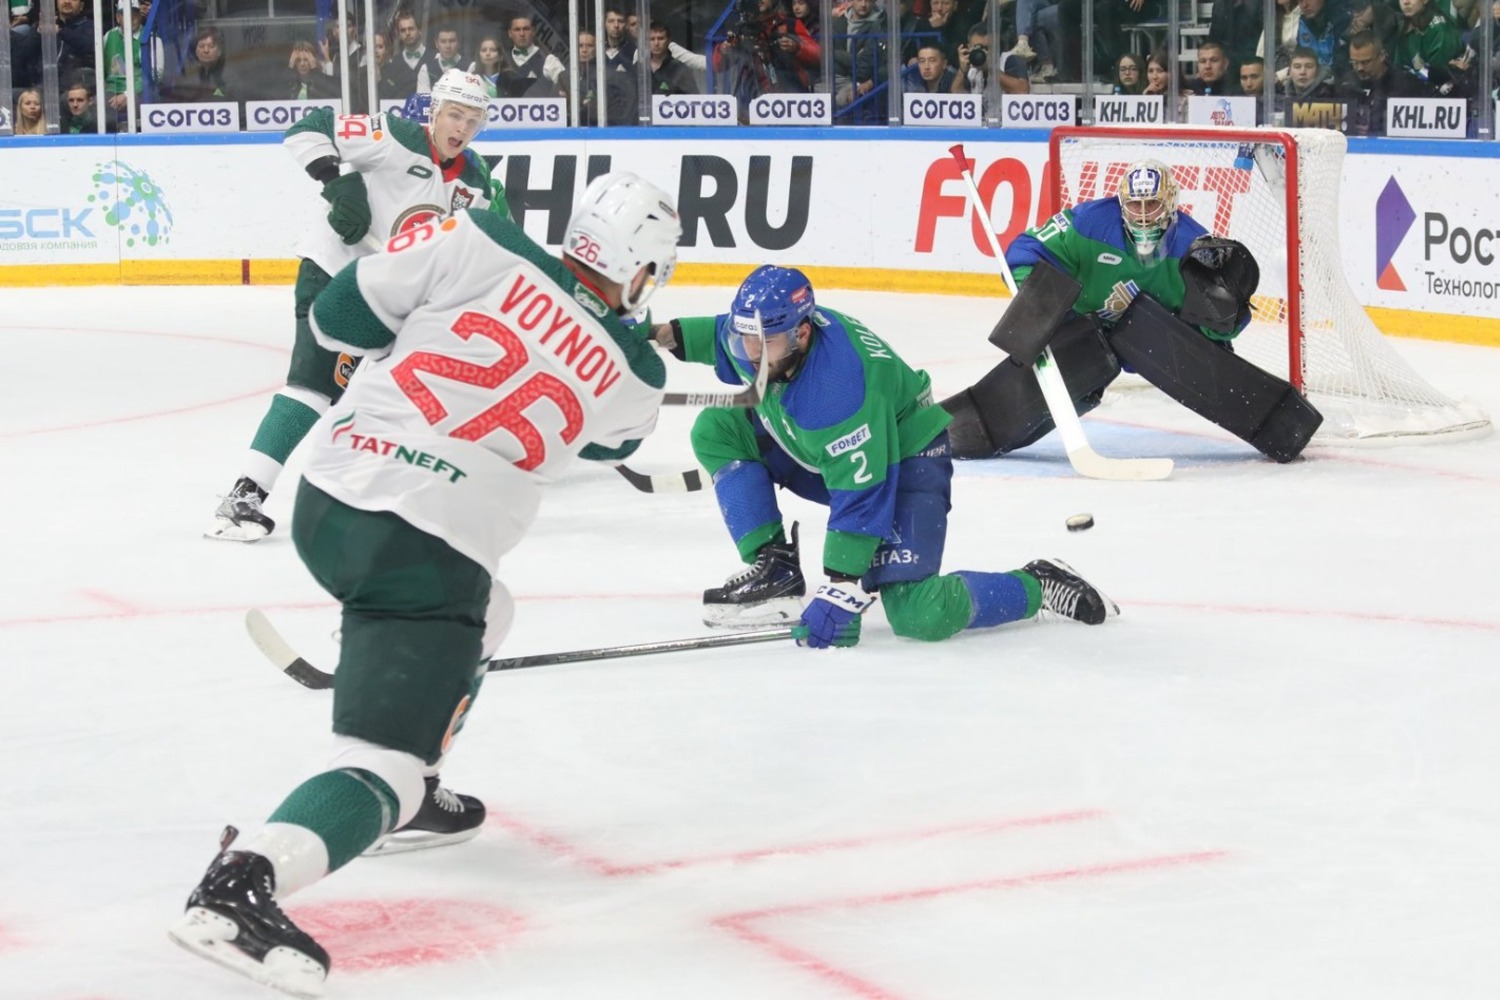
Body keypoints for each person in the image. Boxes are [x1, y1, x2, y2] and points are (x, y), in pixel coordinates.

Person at [171, 170, 682, 998]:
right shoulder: (638, 377)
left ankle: (422, 788)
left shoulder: (481, 239)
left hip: (331, 500)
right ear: (643, 270)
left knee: (495, 614)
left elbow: (335, 318)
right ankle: (241, 887)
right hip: (424, 556)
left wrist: (412, 337)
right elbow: (607, 446)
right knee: (384, 766)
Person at [649, 265, 1116, 644]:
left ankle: (1038, 583)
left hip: (905, 461)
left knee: (919, 614)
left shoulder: (837, 393)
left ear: (803, 334)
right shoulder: (770, 337)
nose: (750, 354)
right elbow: (722, 333)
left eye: (762, 344)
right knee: (719, 428)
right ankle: (775, 568)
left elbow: (862, 493)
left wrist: (841, 589)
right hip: (834, 452)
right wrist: (655, 334)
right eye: (745, 339)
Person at [206, 69, 508, 542]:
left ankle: (406, 492)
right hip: (334, 274)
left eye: (473, 121)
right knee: (314, 387)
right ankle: (245, 494)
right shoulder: (394, 136)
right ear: (434, 111)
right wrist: (337, 183)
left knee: (419, 388)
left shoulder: (475, 182)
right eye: (455, 115)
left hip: (388, 296)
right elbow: (308, 128)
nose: (462, 128)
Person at [940, 161, 1282, 460]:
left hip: (1153, 339)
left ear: (1170, 204)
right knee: (1067, 377)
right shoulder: (1089, 223)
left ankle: (1277, 420)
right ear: (1121, 204)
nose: (1143, 214)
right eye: (1135, 204)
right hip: (1081, 326)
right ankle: (960, 430)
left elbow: (1217, 330)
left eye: (1152, 204)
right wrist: (1039, 302)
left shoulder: (1193, 247)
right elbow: (1027, 249)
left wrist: (1225, 315)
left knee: (1209, 367)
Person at [1337, 29, 1434, 134]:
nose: (1360, 68)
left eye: (1366, 62)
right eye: (1355, 63)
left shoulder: (1406, 84)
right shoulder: (1346, 84)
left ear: (1382, 56)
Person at [496, 14, 566, 97]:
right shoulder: (502, 60)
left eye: (526, 29)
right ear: (510, 33)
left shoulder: (549, 61)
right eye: (517, 30)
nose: (522, 34)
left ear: (533, 31)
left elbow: (565, 94)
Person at [164, 26, 233, 103]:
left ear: (219, 51)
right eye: (201, 46)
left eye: (211, 46)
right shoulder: (186, 77)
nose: (206, 50)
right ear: (196, 51)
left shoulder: (231, 77)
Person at [649, 21, 699, 95]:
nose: (656, 43)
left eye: (661, 38)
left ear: (669, 41)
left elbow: (693, 98)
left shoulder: (680, 70)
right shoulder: (639, 68)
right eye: (652, 39)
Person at [902, 42, 967, 92]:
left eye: (932, 61)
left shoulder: (954, 80)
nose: (926, 67)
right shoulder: (915, 80)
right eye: (922, 61)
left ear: (944, 64)